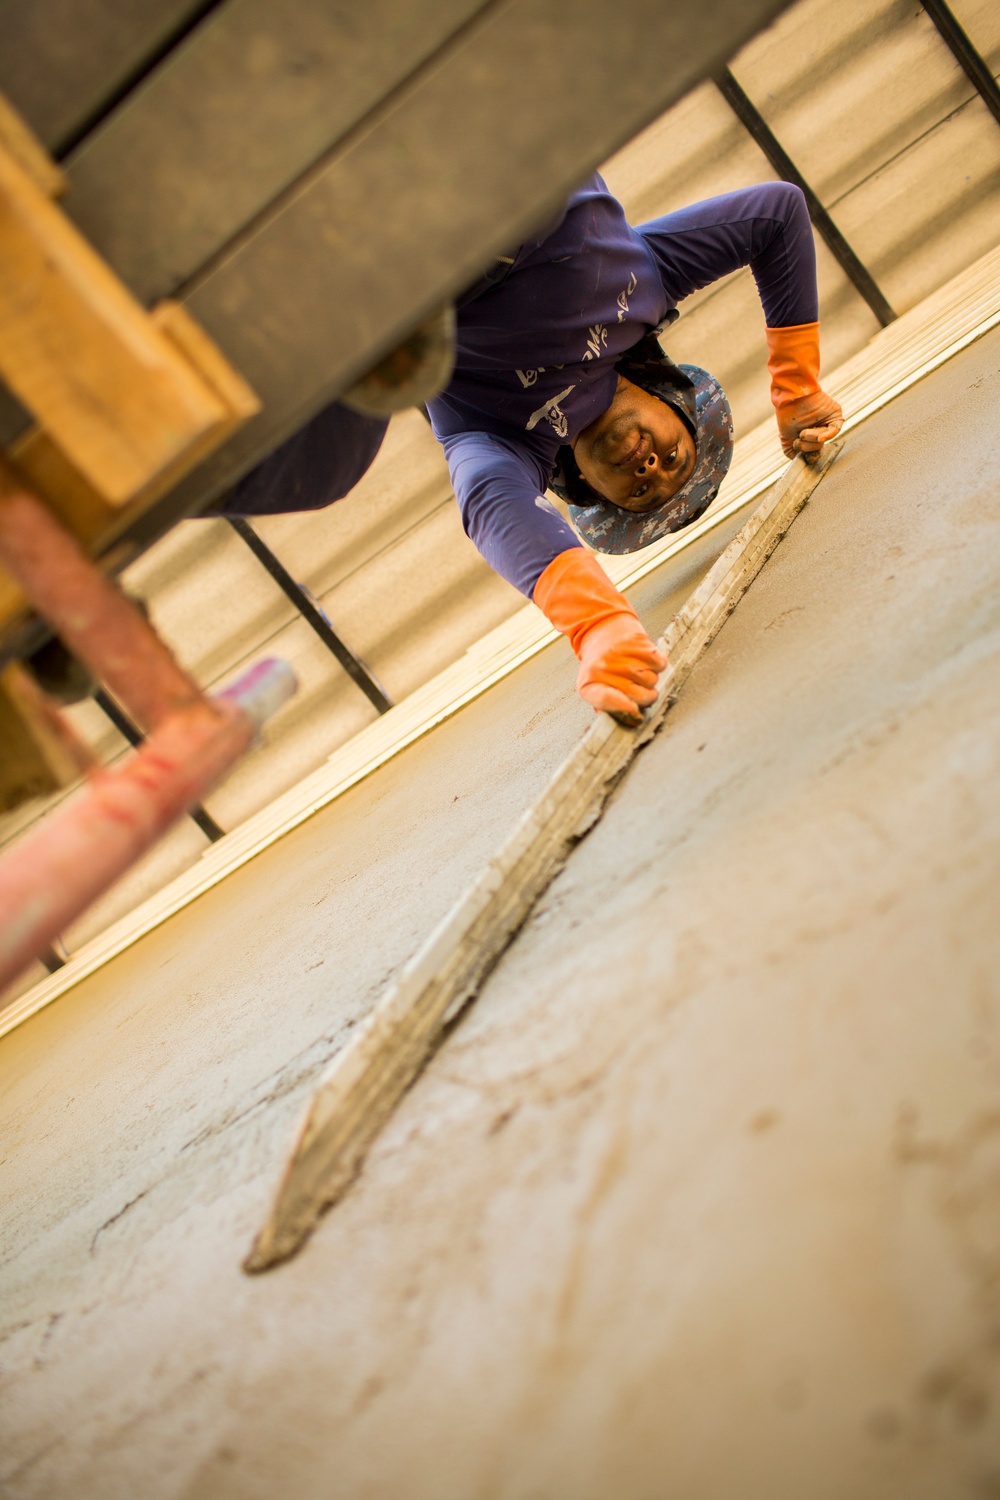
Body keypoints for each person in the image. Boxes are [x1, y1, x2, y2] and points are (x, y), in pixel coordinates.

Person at [219, 175, 843, 725]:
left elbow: (490, 504)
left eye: (638, 492)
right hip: (504, 170)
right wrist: (796, 389)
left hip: (376, 267)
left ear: (587, 487)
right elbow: (775, 214)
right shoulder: (648, 284)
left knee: (325, 476)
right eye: (674, 458)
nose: (651, 469)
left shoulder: (499, 438)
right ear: (674, 401)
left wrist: (597, 625)